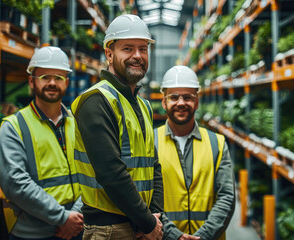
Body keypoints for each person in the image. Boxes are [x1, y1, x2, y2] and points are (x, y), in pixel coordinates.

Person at [71, 14, 163, 240]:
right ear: (109, 55)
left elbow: (153, 165)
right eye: (128, 49)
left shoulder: (142, 105)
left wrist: (154, 215)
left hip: (140, 225)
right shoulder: (96, 101)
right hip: (109, 229)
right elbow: (111, 173)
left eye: (143, 49)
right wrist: (148, 222)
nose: (137, 56)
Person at [0, 46, 83, 240]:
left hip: (76, 227)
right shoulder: (13, 126)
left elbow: (92, 171)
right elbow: (15, 183)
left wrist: (76, 215)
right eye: (44, 77)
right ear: (31, 82)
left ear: (66, 83)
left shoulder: (77, 123)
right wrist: (62, 218)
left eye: (58, 78)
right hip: (32, 233)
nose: (52, 83)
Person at [154, 66, 235, 240]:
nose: (181, 103)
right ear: (164, 102)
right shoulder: (150, 142)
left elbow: (227, 197)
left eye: (187, 97)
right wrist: (175, 236)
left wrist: (203, 236)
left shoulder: (217, 143)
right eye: (174, 97)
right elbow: (146, 198)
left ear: (196, 102)